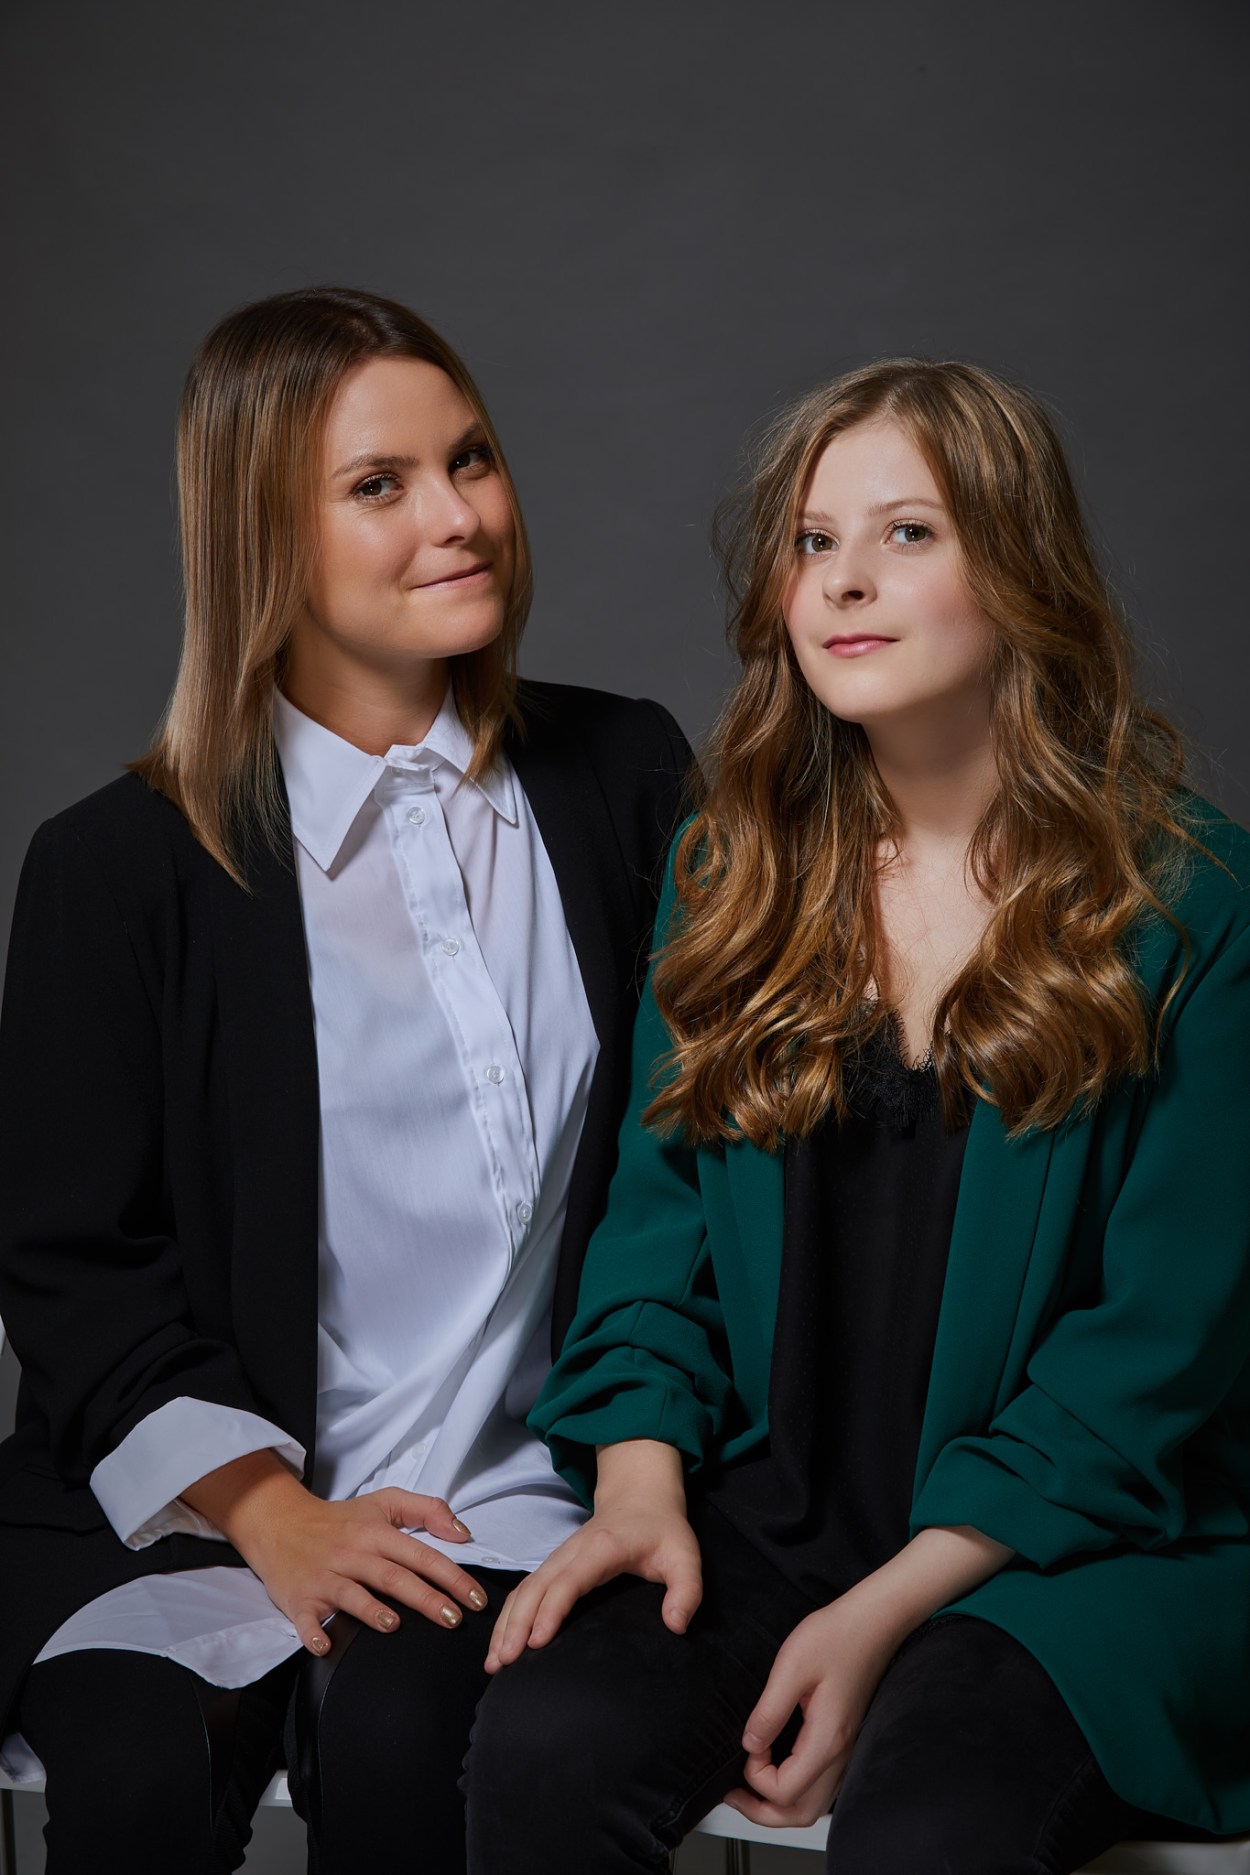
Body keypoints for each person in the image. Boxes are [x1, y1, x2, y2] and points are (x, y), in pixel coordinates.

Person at [464, 358, 1250, 1873]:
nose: (842, 581)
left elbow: (1153, 1357)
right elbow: (653, 1244)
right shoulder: (733, 869)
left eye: (908, 533)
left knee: (930, 1827)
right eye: (814, 541)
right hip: (772, 1514)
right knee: (545, 1747)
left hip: (1079, 1550)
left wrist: (879, 1615)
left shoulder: (1195, 907)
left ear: (1020, 569)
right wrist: (638, 1488)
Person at [0, 285, 692, 1874]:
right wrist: (271, 1514)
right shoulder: (114, 869)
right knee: (133, 1772)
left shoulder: (627, 778)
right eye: (379, 485)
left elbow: (699, 1161)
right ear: (261, 538)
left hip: (517, 1492)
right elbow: (69, 1263)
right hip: (202, 1494)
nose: (458, 518)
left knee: (403, 1745)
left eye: (471, 460)